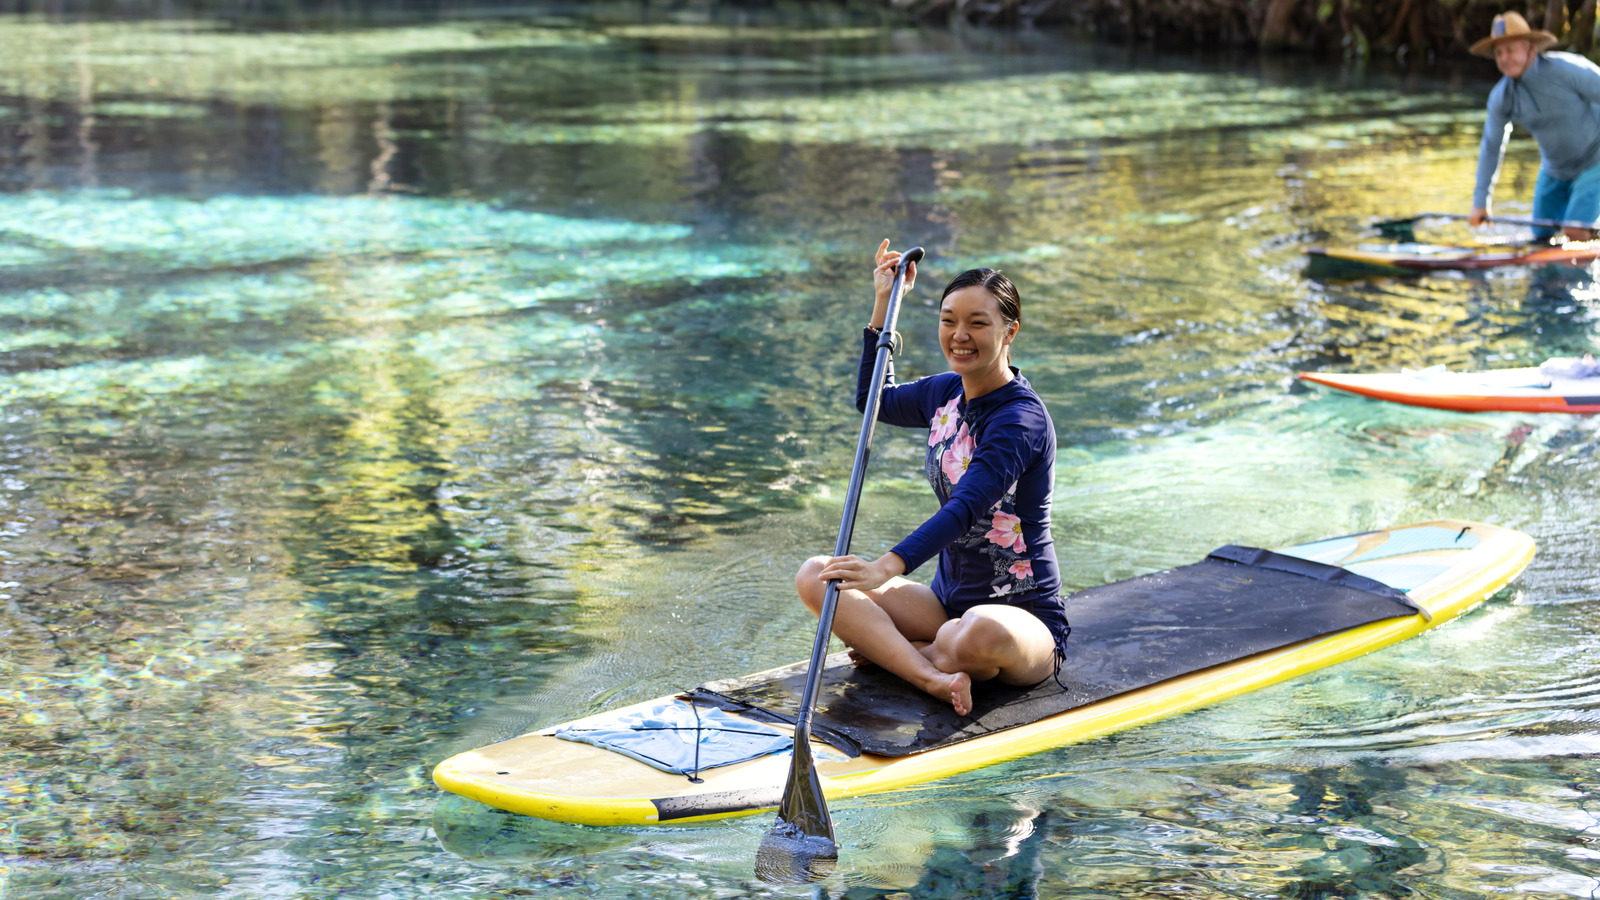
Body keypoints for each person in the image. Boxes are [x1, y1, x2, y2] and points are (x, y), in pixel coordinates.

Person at [794, 241, 1070, 717]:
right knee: (817, 575)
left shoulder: (1020, 420)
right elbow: (873, 400)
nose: (960, 335)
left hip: (1021, 621)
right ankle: (931, 674)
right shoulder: (945, 393)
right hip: (944, 605)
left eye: (977, 323)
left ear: (1010, 331)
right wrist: (884, 302)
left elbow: (964, 509)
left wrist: (885, 567)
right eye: (949, 321)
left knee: (976, 631)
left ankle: (901, 653)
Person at [1468, 11, 1600, 243]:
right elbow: (1491, 147)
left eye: (1510, 50)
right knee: (1539, 236)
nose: (1504, 58)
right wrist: (1481, 202)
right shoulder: (1501, 97)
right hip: (1554, 170)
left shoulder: (1567, 70)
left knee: (1575, 230)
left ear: (1530, 48)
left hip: (1595, 161)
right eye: (1499, 53)